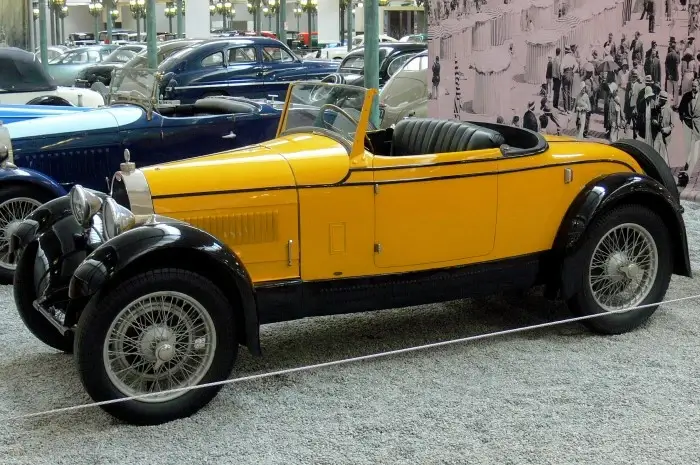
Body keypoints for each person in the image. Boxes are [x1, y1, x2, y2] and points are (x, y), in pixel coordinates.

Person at [678, 79, 700, 185]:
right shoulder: (686, 96)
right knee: (688, 147)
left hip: (698, 127)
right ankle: (687, 164)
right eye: (693, 86)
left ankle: (689, 171)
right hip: (688, 124)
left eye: (696, 86)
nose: (694, 88)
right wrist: (683, 118)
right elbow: (680, 109)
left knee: (695, 148)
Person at [653, 91, 674, 164]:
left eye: (661, 100)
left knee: (663, 154)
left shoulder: (669, 110)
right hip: (657, 134)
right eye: (659, 99)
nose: (659, 101)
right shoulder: (656, 108)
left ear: (664, 101)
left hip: (665, 136)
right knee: (655, 151)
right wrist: (654, 121)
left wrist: (666, 129)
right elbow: (653, 118)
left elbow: (672, 125)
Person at [560, 46, 578, 113]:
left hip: (566, 73)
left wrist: (562, 74)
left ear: (565, 51)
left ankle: (566, 109)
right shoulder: (572, 58)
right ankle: (570, 109)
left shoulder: (564, 58)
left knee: (565, 91)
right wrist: (573, 71)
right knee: (570, 91)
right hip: (571, 74)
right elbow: (576, 66)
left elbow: (561, 67)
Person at [665, 41, 680, 107]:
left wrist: (669, 74)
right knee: (676, 90)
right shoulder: (677, 55)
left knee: (669, 91)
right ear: (675, 48)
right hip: (675, 75)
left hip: (669, 75)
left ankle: (669, 103)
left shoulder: (668, 55)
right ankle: (675, 104)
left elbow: (666, 65)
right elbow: (677, 65)